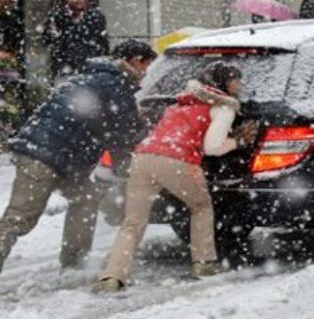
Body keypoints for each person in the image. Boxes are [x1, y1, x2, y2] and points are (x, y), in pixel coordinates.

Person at [94, 62, 258, 293]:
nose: (240, 84)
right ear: (223, 83)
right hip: (179, 162)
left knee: (133, 222)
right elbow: (212, 148)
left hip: (142, 158)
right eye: (236, 80)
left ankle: (112, 275)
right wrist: (238, 142)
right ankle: (204, 262)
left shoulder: (178, 104)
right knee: (201, 206)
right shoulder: (223, 107)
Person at [0, 40, 156, 275]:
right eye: (146, 66)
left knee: (87, 196)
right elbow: (123, 134)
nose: (146, 73)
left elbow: (110, 126)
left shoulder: (97, 78)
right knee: (20, 217)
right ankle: (73, 260)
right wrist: (144, 136)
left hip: (63, 158)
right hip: (42, 156)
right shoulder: (114, 83)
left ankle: (74, 262)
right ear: (135, 61)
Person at [42, 0, 110, 80]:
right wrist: (52, 32)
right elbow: (46, 41)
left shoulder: (96, 16)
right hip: (64, 70)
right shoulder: (57, 16)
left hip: (90, 70)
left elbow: (103, 45)